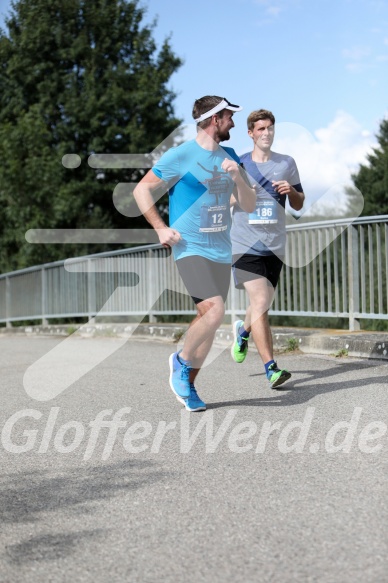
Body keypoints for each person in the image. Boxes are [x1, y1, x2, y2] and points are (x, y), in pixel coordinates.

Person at [133, 96, 255, 411]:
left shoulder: (230, 157)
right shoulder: (182, 155)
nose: (233, 122)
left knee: (209, 322)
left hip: (220, 250)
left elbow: (249, 204)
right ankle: (181, 361)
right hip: (189, 247)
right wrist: (160, 227)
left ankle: (188, 385)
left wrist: (238, 178)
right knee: (214, 312)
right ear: (215, 119)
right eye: (229, 116)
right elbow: (141, 189)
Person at [230, 109, 305, 388]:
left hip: (274, 246)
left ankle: (242, 333)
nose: (266, 133)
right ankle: (271, 368)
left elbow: (298, 204)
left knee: (261, 303)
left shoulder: (287, 163)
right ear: (251, 133)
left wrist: (291, 191)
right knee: (261, 302)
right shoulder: (238, 163)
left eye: (270, 128)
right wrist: (241, 191)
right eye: (260, 129)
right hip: (244, 244)